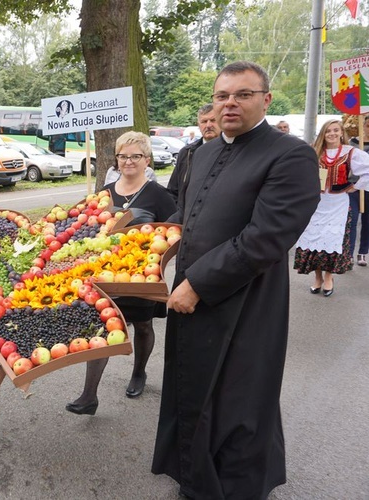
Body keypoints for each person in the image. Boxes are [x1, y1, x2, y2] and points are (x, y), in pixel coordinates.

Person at [151, 61, 321, 499]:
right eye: (222, 95)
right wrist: (140, 239)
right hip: (192, 295)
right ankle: (193, 476)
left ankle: (235, 488)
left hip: (247, 301)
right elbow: (187, 218)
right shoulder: (201, 152)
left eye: (243, 94)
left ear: (265, 99)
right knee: (190, 385)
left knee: (239, 398)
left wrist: (198, 284)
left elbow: (267, 237)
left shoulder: (291, 154)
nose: (230, 103)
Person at [66, 131, 176, 415]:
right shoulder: (105, 193)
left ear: (146, 160)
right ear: (116, 160)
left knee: (142, 325)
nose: (129, 161)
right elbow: (87, 229)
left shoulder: (159, 195)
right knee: (102, 328)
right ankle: (89, 395)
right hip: (104, 278)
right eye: (123, 156)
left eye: (135, 156)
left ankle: (139, 372)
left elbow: (174, 231)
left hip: (139, 278)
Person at [294, 119, 369, 292]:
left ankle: (329, 277)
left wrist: (355, 186)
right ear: (323, 133)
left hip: (338, 203)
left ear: (342, 132)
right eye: (328, 131)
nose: (332, 134)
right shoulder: (314, 151)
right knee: (314, 238)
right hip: (316, 203)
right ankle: (317, 277)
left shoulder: (350, 152)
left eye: (336, 130)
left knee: (332, 240)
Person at [166, 104, 220, 204]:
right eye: (204, 121)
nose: (208, 125)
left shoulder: (233, 150)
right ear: (198, 125)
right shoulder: (186, 153)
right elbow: (173, 190)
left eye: (213, 120)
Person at [346, 114, 369, 267]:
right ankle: (349, 254)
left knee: (367, 221)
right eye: (368, 126)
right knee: (352, 220)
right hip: (353, 188)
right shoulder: (352, 144)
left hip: (368, 188)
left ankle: (363, 252)